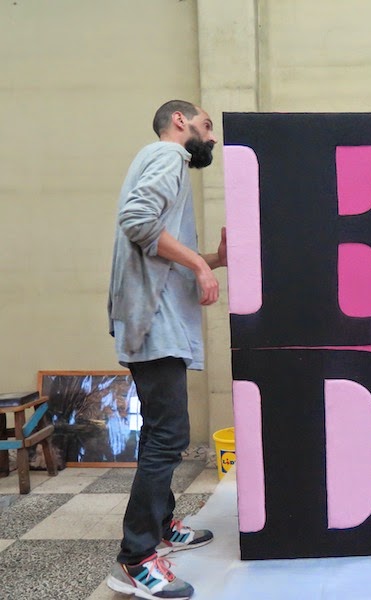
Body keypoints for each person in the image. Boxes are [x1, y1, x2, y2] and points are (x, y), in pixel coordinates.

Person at [105, 99, 226, 599]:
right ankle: (136, 558)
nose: (211, 136)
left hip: (154, 318)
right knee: (169, 435)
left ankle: (159, 524)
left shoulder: (157, 162)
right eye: (206, 125)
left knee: (160, 431)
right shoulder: (168, 156)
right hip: (154, 321)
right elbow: (137, 221)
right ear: (180, 121)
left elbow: (158, 248)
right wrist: (199, 266)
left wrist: (213, 258)